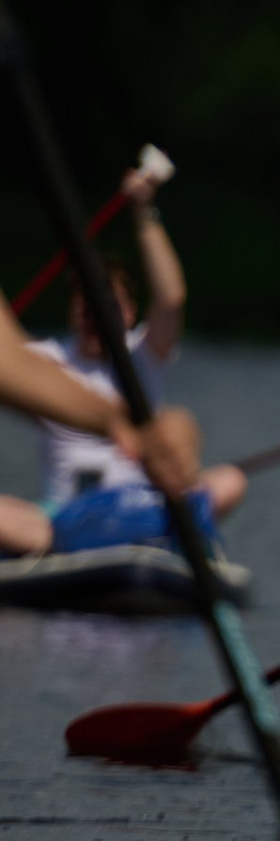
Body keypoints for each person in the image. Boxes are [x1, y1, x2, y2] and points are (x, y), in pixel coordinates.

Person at [0, 168, 243, 559]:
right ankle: (70, 546)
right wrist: (114, 422)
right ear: (73, 310)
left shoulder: (142, 353)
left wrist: (144, 214)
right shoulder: (44, 359)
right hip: (62, 515)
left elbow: (171, 299)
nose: (94, 317)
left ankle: (154, 535)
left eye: (107, 308)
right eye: (86, 307)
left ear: (129, 314)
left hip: (145, 504)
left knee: (231, 480)